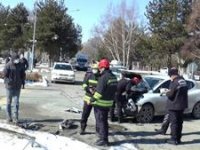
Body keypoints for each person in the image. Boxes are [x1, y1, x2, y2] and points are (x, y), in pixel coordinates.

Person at [90, 59, 117, 146]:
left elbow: (98, 93)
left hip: (101, 103)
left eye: (100, 68)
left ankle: (104, 140)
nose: (99, 70)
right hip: (109, 103)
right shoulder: (113, 76)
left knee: (101, 122)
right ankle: (103, 138)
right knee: (104, 121)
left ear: (102, 68)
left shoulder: (103, 78)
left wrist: (92, 100)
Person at [165, 67, 188, 145]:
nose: (170, 77)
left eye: (170, 76)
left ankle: (173, 139)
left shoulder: (174, 82)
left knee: (174, 123)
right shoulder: (183, 81)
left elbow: (171, 94)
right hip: (182, 105)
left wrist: (166, 92)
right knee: (179, 122)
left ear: (172, 75)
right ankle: (178, 138)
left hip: (174, 105)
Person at [3, 53, 24, 124]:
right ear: (12, 59)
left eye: (18, 59)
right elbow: (4, 75)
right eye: (16, 59)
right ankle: (9, 117)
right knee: (9, 102)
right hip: (9, 87)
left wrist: (22, 82)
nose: (17, 60)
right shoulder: (8, 65)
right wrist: (8, 82)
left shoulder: (20, 65)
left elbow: (23, 74)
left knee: (16, 103)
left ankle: (15, 118)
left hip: (17, 87)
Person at [80, 63, 99, 135]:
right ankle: (82, 128)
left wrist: (96, 90)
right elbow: (84, 84)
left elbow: (102, 87)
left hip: (96, 99)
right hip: (88, 98)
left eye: (96, 69)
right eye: (94, 69)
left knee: (97, 117)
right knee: (85, 114)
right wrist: (88, 89)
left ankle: (98, 131)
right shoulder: (89, 75)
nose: (95, 70)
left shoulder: (100, 76)